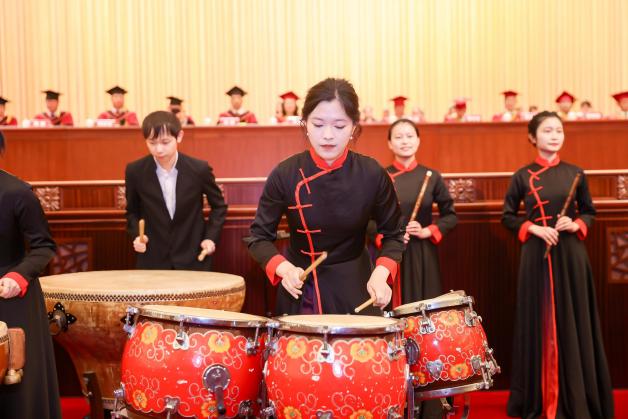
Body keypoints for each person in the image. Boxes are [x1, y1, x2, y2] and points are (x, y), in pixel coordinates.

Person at [247, 78, 404, 315]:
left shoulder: (372, 173)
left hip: (356, 286)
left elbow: (394, 234)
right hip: (299, 290)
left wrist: (381, 274)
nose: (328, 135)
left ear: (353, 127)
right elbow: (258, 238)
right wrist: (284, 269)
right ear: (305, 124)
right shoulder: (285, 173)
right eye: (318, 124)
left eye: (339, 126)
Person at [502, 111, 614, 419]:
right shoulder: (522, 175)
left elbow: (589, 211)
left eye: (559, 131)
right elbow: (508, 217)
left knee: (574, 320)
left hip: (571, 254)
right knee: (538, 319)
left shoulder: (576, 173)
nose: (554, 136)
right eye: (547, 130)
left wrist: (576, 223)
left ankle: (576, 397)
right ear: (532, 137)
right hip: (536, 254)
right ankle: (540, 397)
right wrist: (534, 229)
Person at [0, 131, 62, 419]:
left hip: (11, 295)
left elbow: (43, 247)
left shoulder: (18, 192)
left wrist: (19, 276)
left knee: (17, 391)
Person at [125, 111, 227, 270]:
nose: (159, 149)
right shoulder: (135, 171)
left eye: (165, 142)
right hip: (153, 259)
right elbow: (132, 212)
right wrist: (138, 236)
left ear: (179, 136)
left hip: (193, 258)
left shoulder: (199, 169)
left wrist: (210, 238)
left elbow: (219, 206)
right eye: (152, 143)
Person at [385, 119, 457, 305]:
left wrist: (427, 231)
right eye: (398, 137)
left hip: (423, 251)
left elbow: (450, 216)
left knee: (424, 305)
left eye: (410, 136)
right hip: (391, 249)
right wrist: (388, 236)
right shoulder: (382, 176)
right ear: (390, 143)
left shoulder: (431, 176)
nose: (405, 141)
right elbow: (369, 219)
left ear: (418, 141)